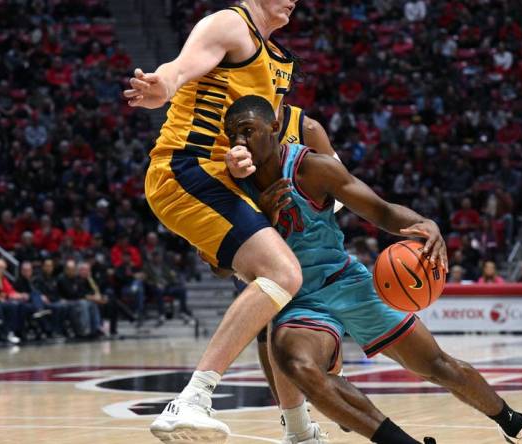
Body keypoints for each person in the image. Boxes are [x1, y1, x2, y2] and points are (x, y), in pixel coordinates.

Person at [223, 95, 522, 444]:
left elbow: (381, 212)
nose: (240, 142)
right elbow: (217, 265)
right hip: (297, 300)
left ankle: (516, 425)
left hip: (345, 281)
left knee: (439, 366)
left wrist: (425, 223)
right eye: (233, 136)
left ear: (274, 128)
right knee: (300, 367)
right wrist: (260, 220)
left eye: (248, 131)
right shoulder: (231, 191)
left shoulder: (313, 168)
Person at [124, 3, 307, 440]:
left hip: (223, 178)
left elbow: (249, 138)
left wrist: (245, 162)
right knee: (282, 273)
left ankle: (299, 430)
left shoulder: (274, 58)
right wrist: (162, 86)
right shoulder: (230, 24)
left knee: (284, 296)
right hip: (185, 168)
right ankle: (191, 400)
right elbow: (181, 66)